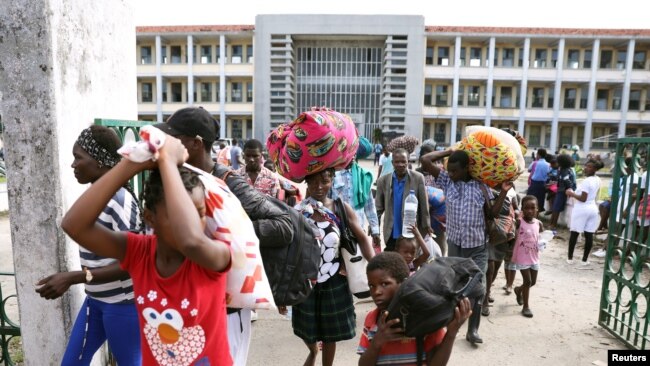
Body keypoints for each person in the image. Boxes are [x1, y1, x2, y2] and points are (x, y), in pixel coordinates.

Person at [60, 135, 233, 365]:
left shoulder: (215, 255)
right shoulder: (140, 252)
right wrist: (130, 165)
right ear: (150, 218)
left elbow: (190, 240)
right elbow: (74, 225)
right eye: (177, 215)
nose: (192, 222)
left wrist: (168, 163)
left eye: (200, 213)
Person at [154, 107, 292, 366]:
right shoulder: (177, 177)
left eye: (174, 138)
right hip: (188, 308)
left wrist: (233, 233)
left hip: (226, 313)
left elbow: (284, 225)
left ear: (194, 144)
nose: (165, 144)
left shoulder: (227, 182)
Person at [36, 125, 142, 365]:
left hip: (123, 306)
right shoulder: (95, 196)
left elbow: (135, 262)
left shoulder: (121, 201)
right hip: (94, 302)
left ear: (100, 162)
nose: (73, 165)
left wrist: (74, 277)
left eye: (78, 158)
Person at [420, 148, 512, 345]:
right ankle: (448, 325)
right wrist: (450, 151)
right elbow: (426, 160)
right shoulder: (446, 181)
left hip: (477, 246)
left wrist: (503, 192)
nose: (451, 174)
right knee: (453, 287)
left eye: (455, 170)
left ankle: (473, 329)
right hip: (455, 245)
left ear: (466, 168)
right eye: (449, 170)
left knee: (477, 288)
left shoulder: (481, 186)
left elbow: (493, 214)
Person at [292, 168, 375, 366]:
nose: (319, 187)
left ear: (332, 180)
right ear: (306, 183)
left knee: (330, 334)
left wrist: (377, 267)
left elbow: (363, 239)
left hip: (335, 279)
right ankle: (312, 352)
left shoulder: (341, 208)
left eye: (324, 180)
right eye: (313, 182)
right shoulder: (297, 211)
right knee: (307, 329)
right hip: (306, 282)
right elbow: (290, 249)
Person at [358, 252, 471, 366]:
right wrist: (377, 342)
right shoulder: (372, 320)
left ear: (404, 284)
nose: (376, 292)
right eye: (372, 286)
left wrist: (451, 333)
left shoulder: (425, 316)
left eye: (384, 284)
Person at [375, 148, 431, 252]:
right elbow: (378, 208)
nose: (400, 164)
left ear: (408, 162)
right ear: (392, 163)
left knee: (409, 263)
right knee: (391, 263)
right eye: (397, 162)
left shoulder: (418, 178)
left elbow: (424, 206)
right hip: (391, 232)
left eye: (403, 161)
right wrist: (374, 230)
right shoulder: (383, 181)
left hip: (410, 231)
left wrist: (427, 226)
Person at [331, 158, 382, 253]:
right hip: (337, 230)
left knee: (357, 262)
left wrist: (375, 231)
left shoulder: (363, 176)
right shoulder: (332, 175)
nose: (352, 156)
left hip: (358, 230)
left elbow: (369, 206)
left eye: (354, 152)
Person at [482, 185, 518, 317]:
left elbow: (515, 207)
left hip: (504, 233)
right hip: (490, 230)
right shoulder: (485, 186)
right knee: (490, 267)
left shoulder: (510, 187)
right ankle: (484, 299)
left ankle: (488, 290)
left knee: (496, 265)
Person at [509, 195, 543, 318]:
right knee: (527, 281)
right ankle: (526, 307)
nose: (529, 211)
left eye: (532, 208)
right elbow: (511, 231)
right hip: (522, 257)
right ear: (522, 209)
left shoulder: (539, 223)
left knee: (532, 282)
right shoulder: (519, 222)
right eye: (526, 208)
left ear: (537, 209)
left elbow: (539, 238)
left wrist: (543, 243)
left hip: (534, 256)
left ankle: (518, 290)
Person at [565, 159, 604, 266]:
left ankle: (570, 258)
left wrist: (571, 193)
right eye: (586, 166)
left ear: (595, 169)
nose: (586, 168)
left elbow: (583, 198)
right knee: (589, 234)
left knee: (574, 233)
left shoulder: (587, 181)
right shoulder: (597, 179)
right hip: (593, 209)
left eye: (589, 166)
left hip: (582, 208)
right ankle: (585, 260)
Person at [549, 154, 576, 230]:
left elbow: (567, 180)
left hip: (563, 191)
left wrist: (570, 188)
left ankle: (553, 224)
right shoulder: (563, 169)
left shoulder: (565, 171)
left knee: (556, 208)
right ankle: (551, 223)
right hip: (560, 190)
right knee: (555, 207)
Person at [527, 148, 550, 213]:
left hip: (534, 184)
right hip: (543, 184)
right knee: (539, 201)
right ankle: (537, 216)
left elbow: (529, 169)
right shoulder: (548, 164)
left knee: (530, 199)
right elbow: (549, 174)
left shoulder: (535, 162)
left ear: (538, 155)